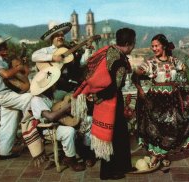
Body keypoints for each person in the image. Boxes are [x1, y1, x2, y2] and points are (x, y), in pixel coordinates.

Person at [72, 27, 136, 180]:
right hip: (110, 100)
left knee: (120, 134)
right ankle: (107, 172)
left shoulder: (108, 50)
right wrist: (98, 96)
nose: (134, 46)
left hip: (103, 97)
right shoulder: (119, 61)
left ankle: (123, 166)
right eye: (133, 43)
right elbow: (115, 86)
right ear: (128, 43)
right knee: (110, 136)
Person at [31, 21, 96, 167]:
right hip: (53, 93)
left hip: (68, 91)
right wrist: (53, 58)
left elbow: (82, 64)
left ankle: (86, 152)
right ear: (51, 37)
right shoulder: (46, 51)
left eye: (62, 34)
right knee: (72, 117)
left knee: (85, 117)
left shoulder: (70, 49)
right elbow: (34, 56)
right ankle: (74, 153)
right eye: (57, 35)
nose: (60, 37)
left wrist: (86, 50)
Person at [132, 33, 189, 167]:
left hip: (173, 98)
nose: (154, 48)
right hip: (156, 100)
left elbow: (187, 70)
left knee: (172, 128)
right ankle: (156, 155)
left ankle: (161, 155)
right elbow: (135, 75)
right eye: (152, 46)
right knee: (157, 128)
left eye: (156, 46)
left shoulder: (174, 61)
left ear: (163, 46)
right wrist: (140, 89)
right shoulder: (150, 63)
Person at [26, 66, 86, 171]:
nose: (55, 85)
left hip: (57, 124)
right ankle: (70, 158)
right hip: (47, 129)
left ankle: (87, 153)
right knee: (69, 131)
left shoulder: (50, 95)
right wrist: (66, 107)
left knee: (86, 121)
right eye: (53, 84)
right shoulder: (37, 100)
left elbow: (67, 95)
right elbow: (51, 116)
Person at [0, 36, 33, 160]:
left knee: (8, 124)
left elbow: (23, 76)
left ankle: (4, 153)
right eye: (4, 46)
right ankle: (33, 131)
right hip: (5, 95)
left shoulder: (4, 60)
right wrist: (18, 68)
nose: (7, 48)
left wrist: (22, 65)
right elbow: (6, 74)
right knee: (31, 99)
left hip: (8, 95)